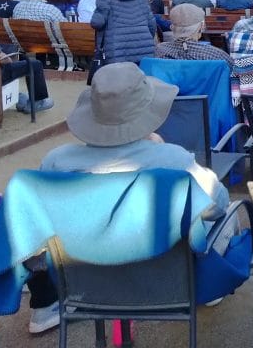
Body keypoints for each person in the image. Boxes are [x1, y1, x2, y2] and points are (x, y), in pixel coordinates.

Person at [24, 63, 232, 333]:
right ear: (147, 113)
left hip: (88, 278)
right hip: (166, 280)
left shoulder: (56, 163)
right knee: (226, 217)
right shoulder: (174, 160)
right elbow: (219, 205)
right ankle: (208, 285)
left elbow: (33, 230)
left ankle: (51, 306)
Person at [90, 0, 157, 66]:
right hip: (143, 46)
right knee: (141, 81)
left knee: (120, 81)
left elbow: (98, 22)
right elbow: (151, 23)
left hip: (116, 48)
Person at [154, 3, 232, 64]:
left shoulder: (159, 50)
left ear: (172, 27)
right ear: (201, 26)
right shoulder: (216, 55)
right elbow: (236, 75)